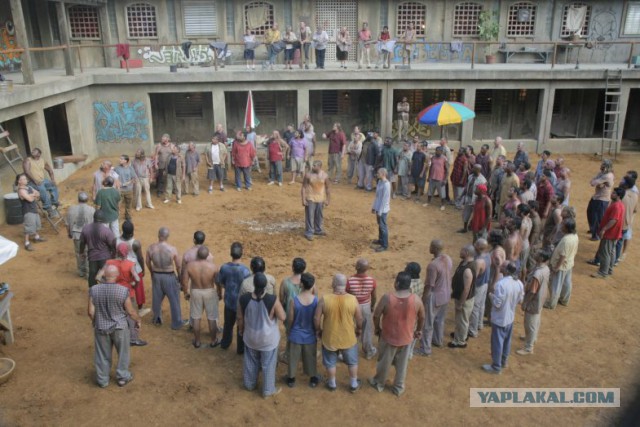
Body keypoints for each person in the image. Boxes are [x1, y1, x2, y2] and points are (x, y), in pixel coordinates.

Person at [369, 271, 425, 396]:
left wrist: (377, 329)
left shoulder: (387, 298)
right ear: (409, 285)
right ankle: (398, 387)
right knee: (402, 364)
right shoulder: (416, 299)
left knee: (384, 362)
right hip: (406, 338)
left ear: (397, 283)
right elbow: (422, 317)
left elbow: (376, 315)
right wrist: (418, 330)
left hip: (389, 337)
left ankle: (379, 383)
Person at [88, 264, 141, 388]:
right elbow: (130, 311)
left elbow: (90, 312)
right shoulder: (123, 291)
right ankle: (122, 377)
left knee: (102, 354)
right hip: (120, 327)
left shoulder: (94, 289)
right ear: (117, 276)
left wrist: (96, 321)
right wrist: (138, 320)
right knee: (123, 353)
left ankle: (102, 380)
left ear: (105, 276)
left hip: (101, 326)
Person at [238, 273, 286, 398]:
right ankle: (268, 390)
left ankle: (249, 384)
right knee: (268, 364)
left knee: (250, 361)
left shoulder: (244, 299)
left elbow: (240, 319)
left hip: (251, 338)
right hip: (268, 340)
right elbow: (282, 317)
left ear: (253, 284)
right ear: (266, 285)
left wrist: (241, 331)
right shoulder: (272, 299)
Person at [314, 274, 364, 393]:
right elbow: (360, 319)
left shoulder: (324, 299)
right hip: (348, 337)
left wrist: (318, 330)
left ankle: (332, 384)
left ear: (333, 284)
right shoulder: (352, 299)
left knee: (330, 362)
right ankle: (353, 383)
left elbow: (316, 318)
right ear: (345, 285)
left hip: (330, 337)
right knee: (352, 362)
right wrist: (359, 329)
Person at [96, 243, 146, 347]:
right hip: (127, 293)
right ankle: (133, 338)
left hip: (113, 293)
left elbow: (98, 277)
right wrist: (133, 284)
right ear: (127, 252)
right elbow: (137, 278)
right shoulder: (130, 264)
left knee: (114, 313)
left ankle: (112, 335)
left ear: (116, 251)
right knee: (131, 314)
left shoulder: (109, 263)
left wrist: (105, 285)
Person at [482, 262, 524, 374]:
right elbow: (520, 300)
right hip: (510, 317)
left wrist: (491, 295)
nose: (500, 267)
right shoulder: (519, 283)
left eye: (503, 266)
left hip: (499, 318)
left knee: (497, 342)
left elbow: (497, 304)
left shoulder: (501, 284)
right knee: (507, 341)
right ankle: (504, 361)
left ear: (506, 270)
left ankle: (496, 366)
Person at [415, 240, 453, 357]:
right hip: (446, 294)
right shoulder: (448, 258)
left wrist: (423, 300)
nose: (429, 247)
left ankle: (425, 349)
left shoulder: (433, 265)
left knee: (427, 323)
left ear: (435, 249)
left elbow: (429, 286)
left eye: (431, 246)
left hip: (435, 296)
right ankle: (438, 340)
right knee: (439, 320)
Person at [145, 227, 188, 330]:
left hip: (156, 274)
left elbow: (147, 262)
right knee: (174, 299)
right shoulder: (172, 249)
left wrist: (152, 272)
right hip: (169, 276)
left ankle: (157, 319)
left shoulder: (151, 248)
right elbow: (178, 266)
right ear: (167, 237)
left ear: (158, 235)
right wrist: (179, 277)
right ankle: (177, 322)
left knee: (156, 298)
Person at [286, 272, 320, 388]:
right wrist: (317, 331)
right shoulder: (316, 300)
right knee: (310, 357)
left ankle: (291, 378)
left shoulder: (294, 300)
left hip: (296, 335)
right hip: (310, 335)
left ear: (301, 284)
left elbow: (290, 318)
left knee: (293, 358)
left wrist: (288, 330)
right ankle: (313, 378)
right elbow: (317, 318)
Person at [217, 242, 251, 354]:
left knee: (228, 324)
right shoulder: (246, 271)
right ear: (242, 254)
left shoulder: (224, 268)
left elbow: (220, 283)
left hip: (229, 301)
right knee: (241, 325)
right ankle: (240, 349)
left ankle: (225, 343)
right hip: (241, 304)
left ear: (230, 253)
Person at [184, 246, 221, 348]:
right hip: (209, 292)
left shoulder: (190, 266)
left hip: (196, 291)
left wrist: (185, 293)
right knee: (212, 318)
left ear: (197, 255)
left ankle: (197, 341)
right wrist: (219, 292)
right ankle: (213, 341)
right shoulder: (213, 267)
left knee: (196, 318)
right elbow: (218, 282)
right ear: (208, 255)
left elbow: (185, 281)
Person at [517, 249, 551, 356]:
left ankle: (528, 348)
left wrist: (525, 302)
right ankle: (532, 338)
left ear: (541, 258)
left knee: (530, 324)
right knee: (536, 321)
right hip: (541, 299)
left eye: (537, 253)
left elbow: (532, 291)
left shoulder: (538, 273)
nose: (535, 254)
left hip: (534, 301)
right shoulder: (545, 268)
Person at [590, 187, 625, 279]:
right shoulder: (620, 204)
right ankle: (609, 269)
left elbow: (613, 220)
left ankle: (603, 272)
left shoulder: (616, 206)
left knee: (605, 252)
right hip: (615, 233)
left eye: (614, 193)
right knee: (611, 252)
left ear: (618, 196)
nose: (611, 194)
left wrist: (604, 229)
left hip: (610, 233)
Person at [346, 259, 378, 360]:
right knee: (367, 330)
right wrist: (372, 306)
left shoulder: (350, 281)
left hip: (353, 306)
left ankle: (347, 352)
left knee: (350, 328)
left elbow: (346, 295)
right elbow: (374, 296)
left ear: (356, 267)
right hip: (366, 306)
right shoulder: (371, 281)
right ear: (367, 269)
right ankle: (369, 351)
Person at [449, 245, 477, 349]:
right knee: (460, 319)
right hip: (461, 297)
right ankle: (459, 335)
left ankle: (460, 341)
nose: (460, 252)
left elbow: (466, 289)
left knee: (462, 320)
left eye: (462, 250)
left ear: (467, 253)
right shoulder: (464, 264)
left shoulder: (467, 270)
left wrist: (461, 303)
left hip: (464, 300)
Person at [80, 210, 116, 287]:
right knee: (106, 277)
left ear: (94, 218)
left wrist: (81, 252)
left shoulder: (86, 228)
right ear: (103, 219)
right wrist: (113, 256)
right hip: (105, 257)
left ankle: (93, 294)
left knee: (92, 276)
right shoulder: (106, 231)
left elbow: (82, 243)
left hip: (92, 257)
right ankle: (107, 292)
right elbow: (112, 245)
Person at [117, 220, 146, 311]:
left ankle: (122, 306)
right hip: (134, 268)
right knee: (138, 288)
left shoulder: (116, 240)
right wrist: (143, 270)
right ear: (132, 232)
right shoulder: (135, 243)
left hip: (121, 268)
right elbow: (140, 258)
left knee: (122, 285)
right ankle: (140, 307)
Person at [22, 148, 59, 217]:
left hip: (42, 181)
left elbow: (50, 170)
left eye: (34, 151)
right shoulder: (27, 160)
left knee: (53, 185)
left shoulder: (42, 160)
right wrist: (35, 181)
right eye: (32, 151)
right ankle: (49, 209)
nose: (32, 151)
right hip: (31, 182)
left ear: (39, 154)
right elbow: (27, 172)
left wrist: (52, 179)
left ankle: (54, 203)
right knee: (42, 190)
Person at [66, 191, 95, 277]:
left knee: (79, 253)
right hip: (89, 234)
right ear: (87, 200)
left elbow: (68, 223)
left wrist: (69, 233)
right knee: (88, 253)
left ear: (78, 199)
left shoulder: (71, 209)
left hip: (77, 234)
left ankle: (81, 271)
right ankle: (88, 272)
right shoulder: (92, 209)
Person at [16, 173, 46, 251]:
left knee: (35, 224)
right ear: (19, 181)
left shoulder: (28, 187)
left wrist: (32, 195)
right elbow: (30, 199)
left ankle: (36, 237)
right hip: (28, 211)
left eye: (26, 178)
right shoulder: (21, 190)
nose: (26, 180)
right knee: (28, 227)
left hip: (33, 209)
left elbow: (38, 194)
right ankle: (27, 243)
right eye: (24, 179)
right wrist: (34, 195)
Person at [301, 160, 330, 241]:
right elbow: (303, 187)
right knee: (310, 216)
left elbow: (327, 188)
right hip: (310, 198)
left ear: (320, 167)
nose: (313, 166)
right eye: (313, 165)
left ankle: (318, 230)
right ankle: (309, 232)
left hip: (320, 199)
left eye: (315, 165)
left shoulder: (324, 176)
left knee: (319, 216)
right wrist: (303, 199)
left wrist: (328, 199)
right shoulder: (308, 175)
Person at [587, 160, 615, 241]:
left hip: (602, 199)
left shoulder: (608, 176)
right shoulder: (601, 173)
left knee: (598, 217)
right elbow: (592, 181)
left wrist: (598, 183)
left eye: (603, 166)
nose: (601, 167)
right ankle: (593, 229)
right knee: (590, 212)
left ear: (608, 167)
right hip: (596, 197)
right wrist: (599, 183)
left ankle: (596, 235)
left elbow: (593, 183)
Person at [468, 238, 490, 338]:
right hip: (485, 283)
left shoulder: (479, 261)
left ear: (479, 247)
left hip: (478, 285)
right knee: (481, 305)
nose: (474, 244)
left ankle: (473, 330)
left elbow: (474, 276)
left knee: (475, 308)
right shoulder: (488, 255)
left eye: (476, 243)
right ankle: (479, 324)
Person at [617, 176, 638, 263]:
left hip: (619, 223)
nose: (620, 182)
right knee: (619, 243)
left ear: (626, 185)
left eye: (622, 181)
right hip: (627, 223)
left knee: (611, 243)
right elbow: (635, 210)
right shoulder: (635, 195)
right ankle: (615, 260)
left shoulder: (622, 195)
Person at [372, 167, 391, 252]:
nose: (377, 174)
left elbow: (384, 200)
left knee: (383, 226)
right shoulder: (379, 182)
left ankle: (384, 245)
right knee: (380, 225)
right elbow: (377, 196)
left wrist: (380, 211)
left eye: (379, 173)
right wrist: (374, 207)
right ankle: (380, 240)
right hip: (379, 208)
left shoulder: (387, 184)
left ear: (383, 174)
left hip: (383, 210)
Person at [424, 146, 448, 211]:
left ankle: (442, 205)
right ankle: (428, 202)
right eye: (436, 150)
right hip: (432, 177)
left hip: (440, 179)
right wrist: (429, 176)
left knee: (442, 193)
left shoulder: (444, 159)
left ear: (441, 151)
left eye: (438, 151)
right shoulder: (433, 158)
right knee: (430, 191)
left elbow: (447, 170)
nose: (437, 152)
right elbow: (431, 167)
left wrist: (445, 179)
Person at [114, 154, 136, 222]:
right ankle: (116, 217)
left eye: (121, 159)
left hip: (129, 190)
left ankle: (128, 216)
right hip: (119, 190)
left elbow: (134, 179)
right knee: (117, 205)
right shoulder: (117, 168)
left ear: (126, 161)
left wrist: (125, 183)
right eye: (120, 158)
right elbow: (114, 178)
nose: (119, 160)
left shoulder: (130, 168)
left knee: (128, 204)